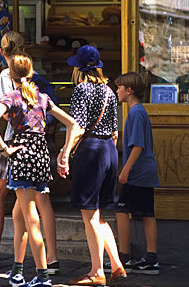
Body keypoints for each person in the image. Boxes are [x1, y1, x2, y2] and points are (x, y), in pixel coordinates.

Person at [0, 31, 60, 274]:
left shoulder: (7, 75)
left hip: (14, 141)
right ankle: (52, 259)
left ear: (2, 51)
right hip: (39, 144)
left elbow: (5, 114)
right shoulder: (32, 71)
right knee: (41, 200)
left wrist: (5, 146)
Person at [0, 52, 78, 287]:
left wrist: (5, 149)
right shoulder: (43, 97)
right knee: (19, 216)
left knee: (30, 219)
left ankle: (43, 276)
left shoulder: (12, 97)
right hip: (40, 157)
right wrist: (65, 150)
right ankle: (17, 272)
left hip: (22, 157)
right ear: (31, 73)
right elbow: (72, 124)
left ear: (11, 75)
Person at [57, 45, 126, 285]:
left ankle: (97, 271)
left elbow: (77, 126)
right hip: (109, 151)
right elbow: (116, 132)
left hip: (91, 151)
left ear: (81, 69)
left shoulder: (81, 90)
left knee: (89, 216)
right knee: (99, 214)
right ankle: (116, 265)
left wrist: (65, 152)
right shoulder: (108, 91)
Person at [112, 72, 159, 275]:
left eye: (119, 88)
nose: (117, 91)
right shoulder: (137, 112)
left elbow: (138, 145)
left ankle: (124, 257)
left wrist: (125, 170)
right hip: (144, 171)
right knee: (147, 213)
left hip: (138, 172)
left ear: (129, 91)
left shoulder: (136, 113)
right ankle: (150, 258)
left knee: (122, 209)